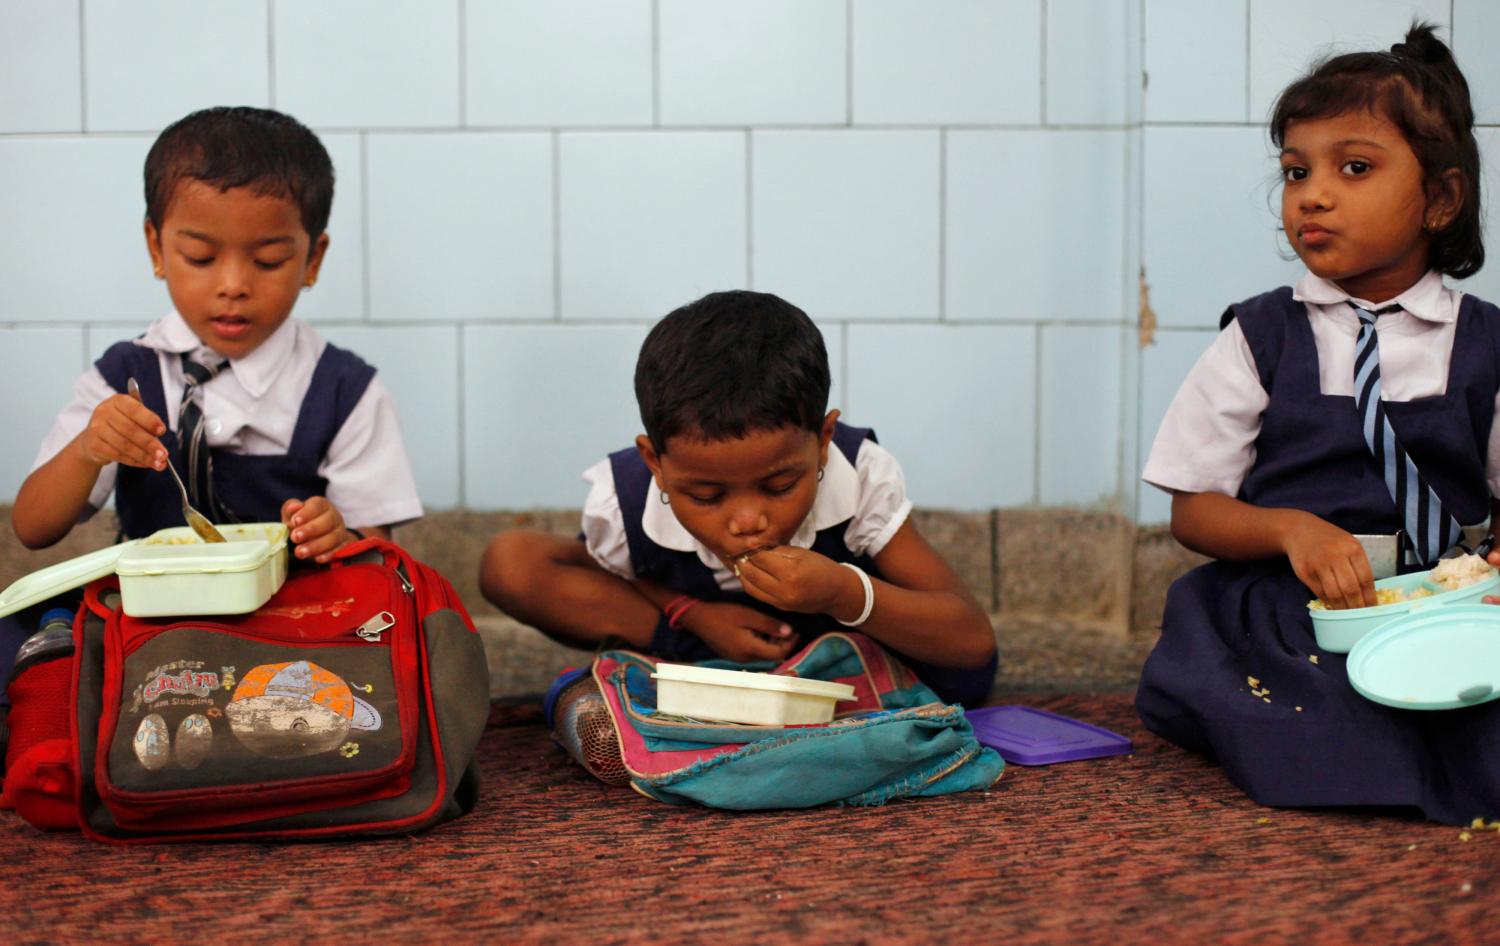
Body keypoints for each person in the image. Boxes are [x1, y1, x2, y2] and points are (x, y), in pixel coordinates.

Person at [1136, 24, 1498, 823]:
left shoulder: (1485, 347)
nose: (1313, 194)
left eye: (1354, 168)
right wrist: (1292, 532)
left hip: (1438, 602)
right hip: (1293, 608)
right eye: (1297, 172)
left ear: (1439, 199)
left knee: (1474, 700)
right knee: (1300, 709)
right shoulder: (1260, 336)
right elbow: (1193, 509)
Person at [3, 107, 422, 687]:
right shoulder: (124, 375)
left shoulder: (345, 390)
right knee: (20, 641)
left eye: (269, 260)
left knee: (402, 638)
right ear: (156, 247)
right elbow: (32, 527)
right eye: (200, 257)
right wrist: (88, 450)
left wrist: (338, 535)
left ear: (312, 260)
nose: (233, 285)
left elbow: (378, 555)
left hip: (292, 625)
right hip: (148, 621)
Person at [481, 290, 997, 706]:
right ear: (655, 464)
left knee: (960, 684)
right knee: (510, 563)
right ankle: (705, 672)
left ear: (821, 442)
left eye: (779, 487)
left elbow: (973, 643)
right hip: (696, 639)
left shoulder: (855, 476)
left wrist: (842, 592)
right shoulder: (629, 500)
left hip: (843, 641)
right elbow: (591, 576)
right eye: (706, 495)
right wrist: (689, 615)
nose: (748, 521)